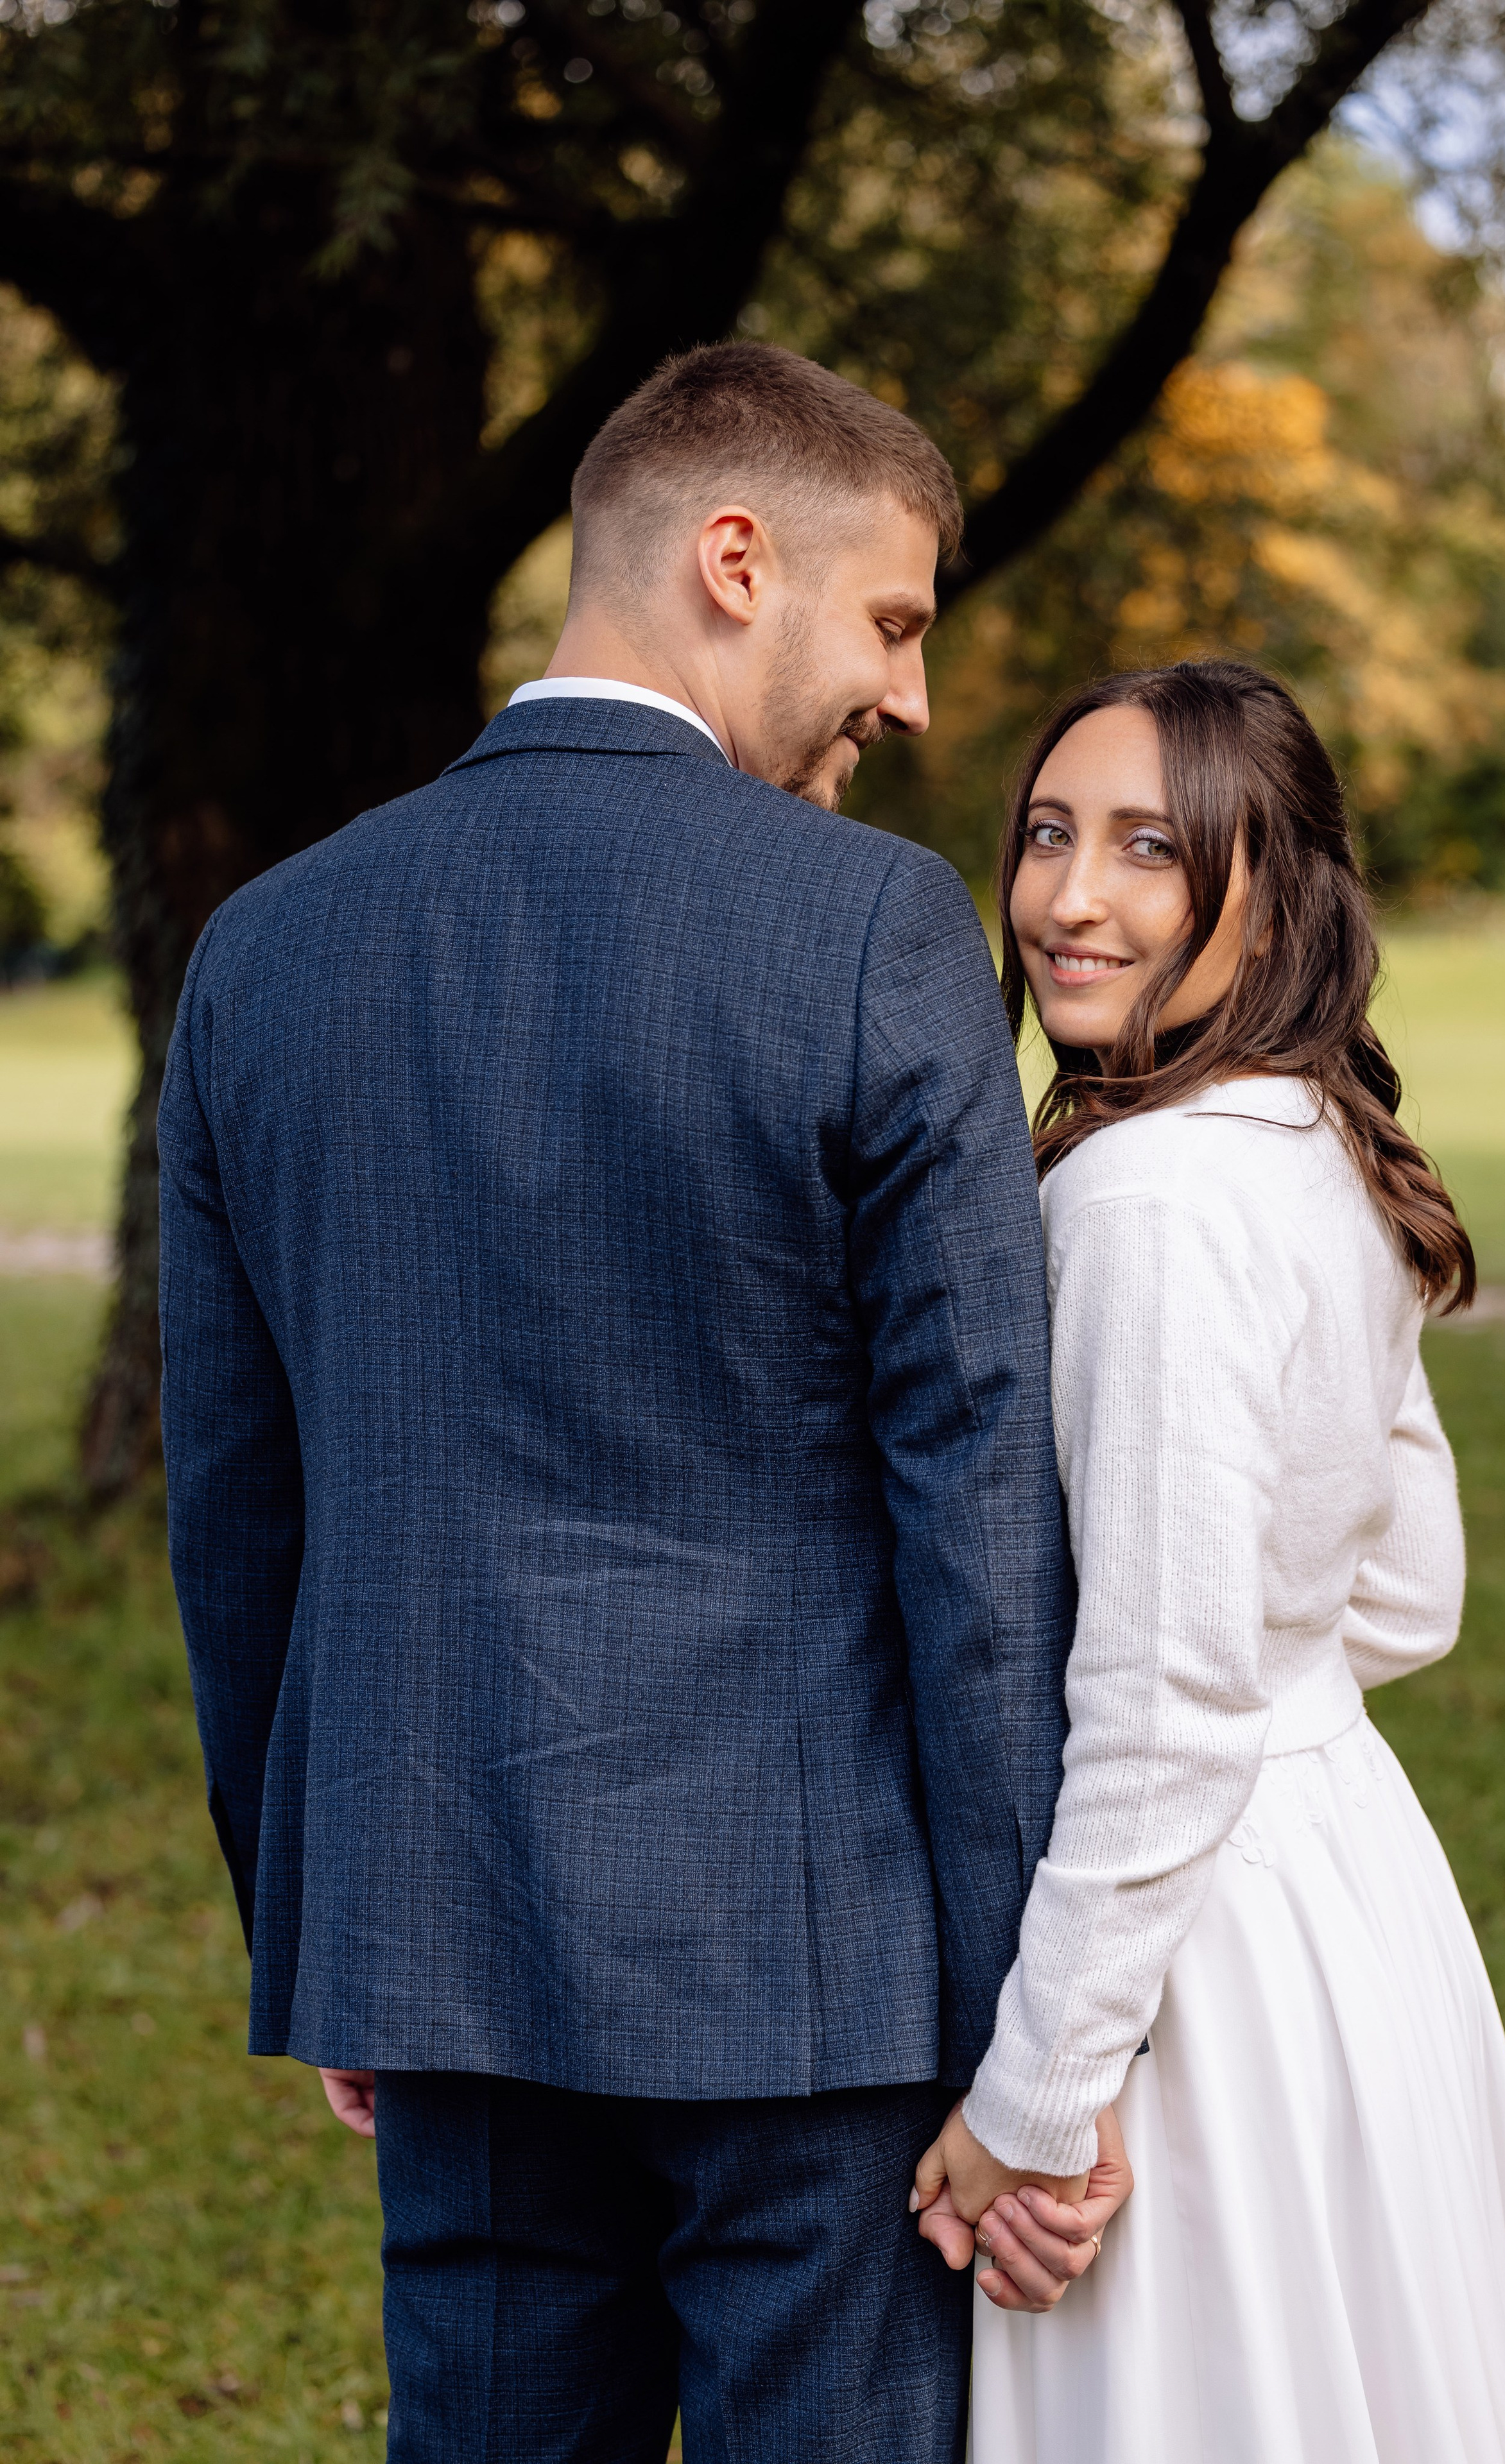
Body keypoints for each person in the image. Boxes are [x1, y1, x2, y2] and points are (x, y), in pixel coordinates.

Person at [157, 341, 1112, 2463]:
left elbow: (237, 1519)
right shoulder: (870, 928)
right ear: (734, 558)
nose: (917, 699)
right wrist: (1025, 2015)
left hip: (444, 1938)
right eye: (892, 623)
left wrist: (328, 1926)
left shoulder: (264, 949)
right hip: (821, 1981)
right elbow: (975, 1517)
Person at [914, 661, 1505, 2457]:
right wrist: (1275, 1701)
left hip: (1190, 1945)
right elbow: (1405, 1588)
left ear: (1277, 893)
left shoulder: (1140, 1208)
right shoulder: (1320, 1140)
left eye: (1152, 848)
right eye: (1049, 834)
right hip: (1343, 1881)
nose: (1071, 897)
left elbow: (1159, 1700)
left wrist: (1040, 2101)